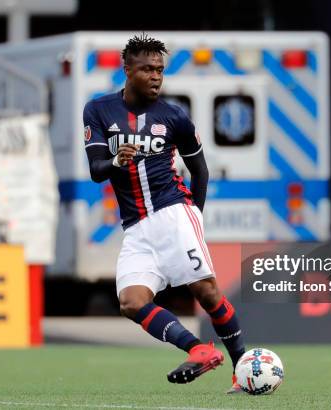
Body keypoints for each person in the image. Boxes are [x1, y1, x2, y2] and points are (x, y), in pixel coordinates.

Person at [83, 34, 246, 393]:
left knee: (206, 293)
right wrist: (114, 161)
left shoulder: (174, 116)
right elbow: (96, 170)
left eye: (160, 70)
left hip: (173, 212)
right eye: (148, 69)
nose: (156, 76)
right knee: (131, 301)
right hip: (136, 228)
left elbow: (200, 170)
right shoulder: (98, 110)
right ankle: (199, 350)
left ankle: (243, 370)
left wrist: (196, 218)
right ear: (127, 70)